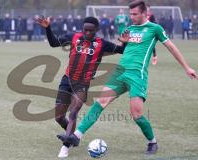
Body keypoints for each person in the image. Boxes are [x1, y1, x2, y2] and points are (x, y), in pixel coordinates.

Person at [58, 0, 197, 157]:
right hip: (119, 72)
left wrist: (187, 67)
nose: (131, 16)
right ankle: (76, 136)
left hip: (137, 75)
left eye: (135, 14)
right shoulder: (128, 29)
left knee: (136, 114)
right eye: (130, 13)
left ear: (145, 13)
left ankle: (152, 142)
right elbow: (123, 49)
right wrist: (123, 43)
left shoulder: (155, 28)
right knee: (100, 103)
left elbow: (171, 47)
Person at [37, 16, 128, 158]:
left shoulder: (102, 44)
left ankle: (65, 146)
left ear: (96, 30)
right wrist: (48, 28)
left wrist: (124, 44)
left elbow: (122, 50)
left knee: (73, 112)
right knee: (59, 117)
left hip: (82, 84)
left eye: (90, 31)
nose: (87, 33)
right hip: (67, 81)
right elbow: (54, 43)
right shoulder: (74, 37)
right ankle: (72, 136)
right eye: (85, 30)